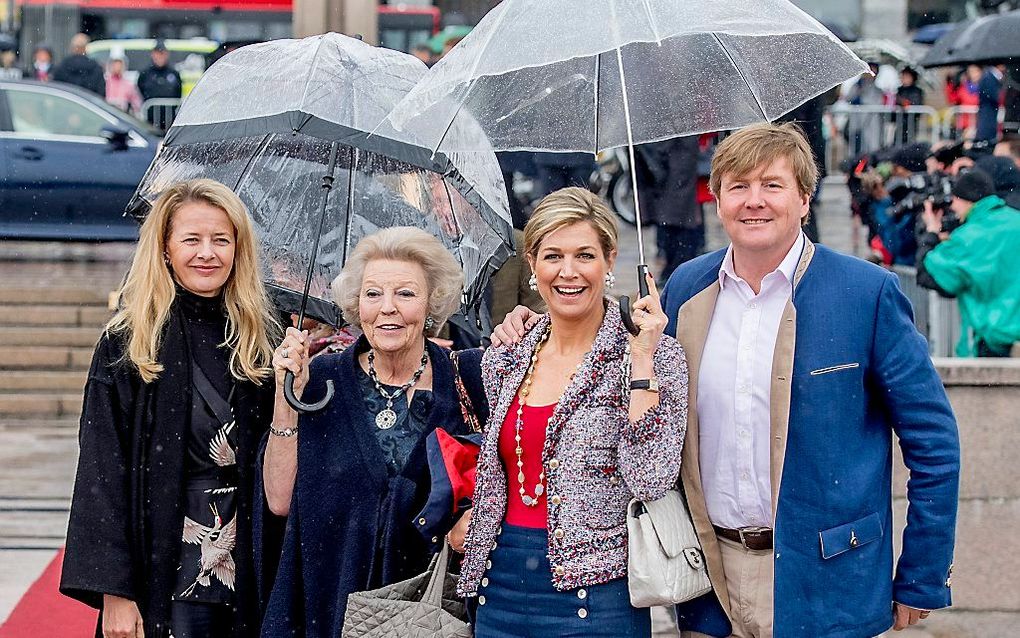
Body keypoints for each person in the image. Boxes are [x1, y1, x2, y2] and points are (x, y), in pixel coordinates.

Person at [494, 125, 960, 637]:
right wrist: (528, 324)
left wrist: (922, 573)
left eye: (772, 185)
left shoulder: (866, 293)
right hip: (708, 583)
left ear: (805, 198)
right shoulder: (687, 287)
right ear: (716, 199)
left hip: (827, 582)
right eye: (738, 186)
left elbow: (932, 442)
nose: (753, 201)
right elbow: (613, 349)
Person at [454, 187, 688, 638]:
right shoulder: (509, 352)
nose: (568, 273)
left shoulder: (655, 356)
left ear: (610, 260)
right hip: (497, 585)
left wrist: (642, 362)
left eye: (584, 255)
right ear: (532, 263)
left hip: (597, 595)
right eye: (553, 256)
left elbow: (651, 479)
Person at [60, 179, 282, 638]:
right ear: (164, 249)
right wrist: (115, 593)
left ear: (238, 249)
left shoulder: (265, 339)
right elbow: (102, 472)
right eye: (191, 240)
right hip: (163, 558)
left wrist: (294, 379)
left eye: (222, 240)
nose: (208, 253)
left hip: (254, 562)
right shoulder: (128, 343)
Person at [260, 227, 488, 638]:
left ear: (432, 302)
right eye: (373, 294)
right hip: (328, 601)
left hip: (428, 613)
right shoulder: (319, 381)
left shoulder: (467, 379)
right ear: (355, 303)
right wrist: (285, 395)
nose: (388, 309)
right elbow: (279, 500)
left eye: (405, 293)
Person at [918, 168, 1020, 358]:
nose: (953, 208)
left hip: (993, 340)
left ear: (965, 199)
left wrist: (931, 232)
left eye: (955, 200)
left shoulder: (968, 237)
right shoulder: (1016, 220)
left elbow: (927, 273)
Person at [635, 136, 705, 284]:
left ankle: (679, 266)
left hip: (679, 153)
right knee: (670, 214)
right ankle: (674, 264)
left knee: (678, 214)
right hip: (668, 152)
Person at [138, 39, 183, 128]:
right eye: (157, 53)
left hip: (170, 122)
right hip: (150, 122)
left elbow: (178, 92)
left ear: (167, 54)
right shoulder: (145, 74)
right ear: (152, 54)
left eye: (162, 53)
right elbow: (140, 91)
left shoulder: (174, 73)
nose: (160, 56)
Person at [104, 50, 142, 115]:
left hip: (123, 117)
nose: (117, 67)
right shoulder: (105, 82)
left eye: (119, 64)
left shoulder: (129, 85)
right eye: (115, 63)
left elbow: (137, 105)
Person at [976, 64, 1006, 144]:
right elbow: (996, 96)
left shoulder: (988, 76)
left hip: (989, 115)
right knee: (987, 141)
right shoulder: (988, 77)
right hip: (988, 116)